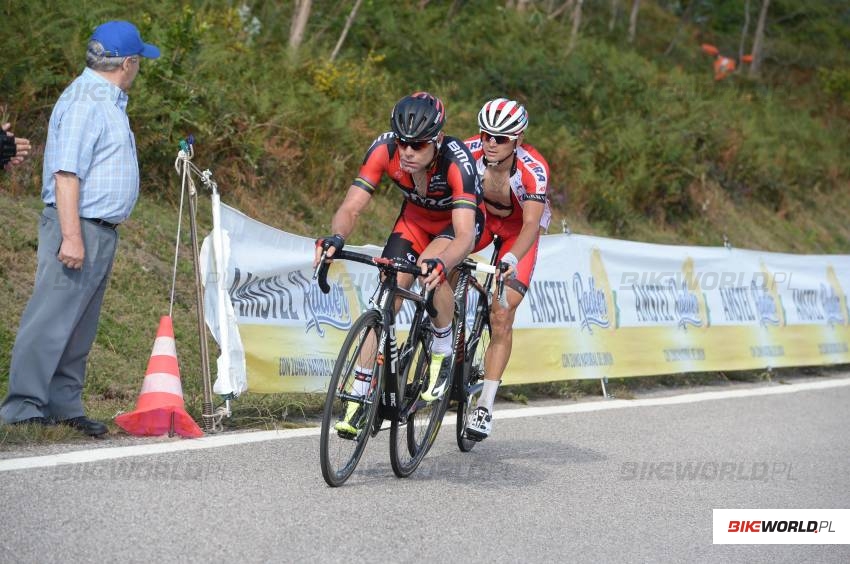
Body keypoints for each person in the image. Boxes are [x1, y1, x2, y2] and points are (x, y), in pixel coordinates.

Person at [0, 21, 160, 436]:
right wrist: (71, 236)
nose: (139, 67)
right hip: (78, 225)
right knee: (51, 318)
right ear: (127, 63)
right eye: (139, 60)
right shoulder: (87, 100)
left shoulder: (106, 98)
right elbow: (65, 174)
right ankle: (22, 406)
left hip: (98, 228)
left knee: (79, 324)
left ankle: (62, 403)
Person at [314, 92, 484, 436]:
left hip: (457, 225)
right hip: (414, 222)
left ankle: (442, 346)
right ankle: (359, 398)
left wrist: (442, 263)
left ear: (437, 140)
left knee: (429, 268)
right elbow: (351, 207)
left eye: (418, 145)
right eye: (403, 142)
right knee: (387, 297)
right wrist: (336, 238)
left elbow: (465, 235)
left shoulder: (457, 161)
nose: (407, 151)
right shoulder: (384, 149)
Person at [462, 98, 551, 440]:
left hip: (518, 232)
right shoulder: (469, 151)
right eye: (486, 134)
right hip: (483, 219)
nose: (491, 143)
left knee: (501, 313)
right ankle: (445, 336)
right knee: (447, 262)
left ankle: (484, 405)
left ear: (518, 139)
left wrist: (512, 257)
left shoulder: (533, 168)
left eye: (500, 138)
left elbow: (530, 225)